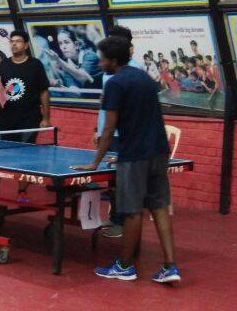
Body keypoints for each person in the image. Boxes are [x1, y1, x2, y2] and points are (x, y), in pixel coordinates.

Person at [72, 35, 181, 284]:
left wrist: (94, 163)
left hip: (134, 155)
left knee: (131, 211)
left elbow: (108, 129)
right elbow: (140, 115)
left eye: (102, 60)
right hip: (159, 151)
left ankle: (124, 266)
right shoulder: (144, 77)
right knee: (159, 207)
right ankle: (170, 266)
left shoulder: (115, 83)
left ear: (113, 60)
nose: (100, 64)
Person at [92, 25, 146, 237]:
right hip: (107, 131)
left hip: (124, 134)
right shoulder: (108, 68)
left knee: (124, 181)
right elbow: (105, 103)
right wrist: (98, 129)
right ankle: (115, 217)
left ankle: (122, 223)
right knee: (112, 180)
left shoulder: (136, 70)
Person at [0, 29, 50, 200]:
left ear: (26, 45)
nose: (14, 44)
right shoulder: (4, 65)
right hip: (2, 119)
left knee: (26, 157)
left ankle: (21, 191)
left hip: (28, 120)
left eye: (18, 41)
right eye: (12, 41)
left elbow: (44, 92)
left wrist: (46, 118)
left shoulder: (36, 65)